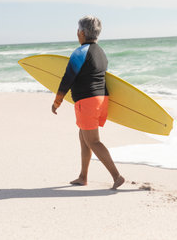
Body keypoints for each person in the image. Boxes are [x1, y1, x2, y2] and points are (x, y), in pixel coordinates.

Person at [51, 15, 125, 190]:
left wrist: (57, 101)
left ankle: (117, 176)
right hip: (101, 99)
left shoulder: (80, 52)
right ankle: (83, 176)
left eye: (78, 30)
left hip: (87, 102)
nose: (77, 33)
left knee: (93, 141)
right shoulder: (100, 52)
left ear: (82, 33)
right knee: (84, 137)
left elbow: (68, 77)